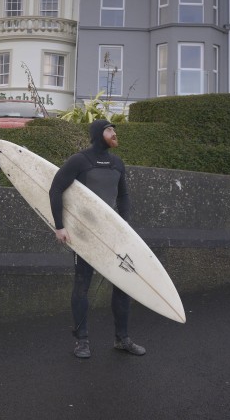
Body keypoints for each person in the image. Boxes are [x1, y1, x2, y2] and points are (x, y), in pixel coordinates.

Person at [49, 119, 146, 359]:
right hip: (84, 233)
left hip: (111, 232)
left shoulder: (117, 163)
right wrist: (59, 226)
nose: (114, 133)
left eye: (114, 130)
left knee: (123, 285)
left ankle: (122, 339)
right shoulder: (80, 160)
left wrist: (124, 225)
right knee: (82, 284)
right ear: (97, 133)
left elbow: (123, 196)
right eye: (109, 129)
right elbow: (55, 189)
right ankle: (82, 341)